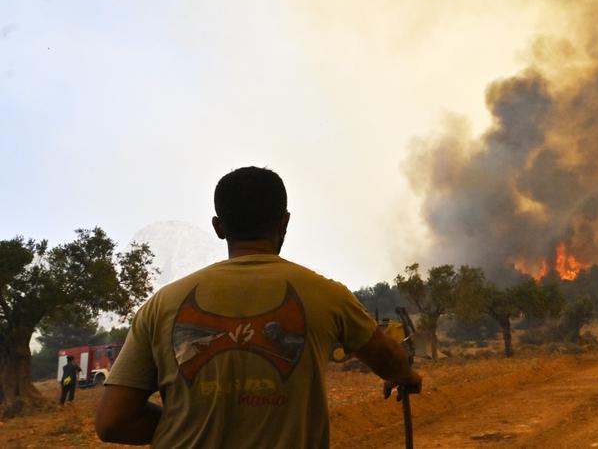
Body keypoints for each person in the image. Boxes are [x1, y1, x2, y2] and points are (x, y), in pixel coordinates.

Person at [95, 166, 421, 447]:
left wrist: (185, 428)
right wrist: (404, 375)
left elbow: (113, 422)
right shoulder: (328, 295)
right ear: (285, 222)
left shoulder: (161, 305)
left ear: (218, 226)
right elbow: (387, 358)